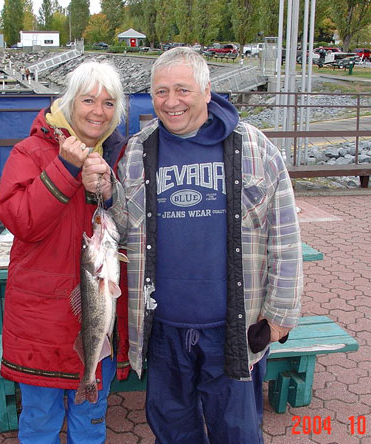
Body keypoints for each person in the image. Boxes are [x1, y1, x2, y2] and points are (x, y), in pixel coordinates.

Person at [108, 47, 303, 443]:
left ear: (208, 90)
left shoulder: (255, 148)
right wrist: (102, 191)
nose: (171, 101)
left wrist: (281, 314)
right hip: (162, 329)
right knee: (173, 431)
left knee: (238, 432)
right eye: (160, 91)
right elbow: (122, 230)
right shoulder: (137, 152)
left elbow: (285, 236)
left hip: (233, 328)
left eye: (182, 89)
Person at [0, 60, 128, 443]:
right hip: (41, 325)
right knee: (40, 421)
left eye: (108, 103)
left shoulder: (118, 154)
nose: (98, 112)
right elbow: (21, 221)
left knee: (90, 423)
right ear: (69, 102)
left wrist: (108, 193)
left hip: (96, 322)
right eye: (88, 99)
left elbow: (134, 226)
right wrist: (66, 169)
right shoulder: (30, 151)